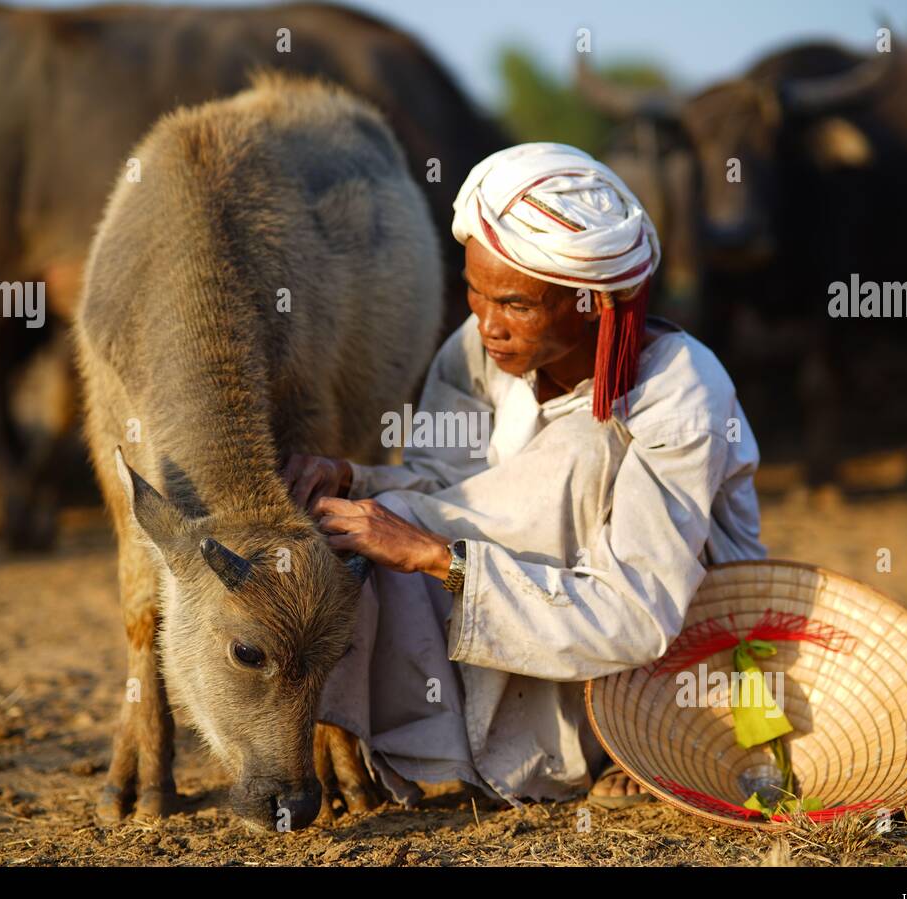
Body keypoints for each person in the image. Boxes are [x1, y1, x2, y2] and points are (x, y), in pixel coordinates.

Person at [282, 142, 765, 809]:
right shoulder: (476, 350)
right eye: (475, 294)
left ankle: (637, 737)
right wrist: (355, 481)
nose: (488, 324)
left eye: (515, 304)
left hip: (660, 645)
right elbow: (443, 489)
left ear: (594, 304)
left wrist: (436, 556)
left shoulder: (679, 397)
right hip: (526, 615)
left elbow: (638, 609)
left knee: (587, 452)